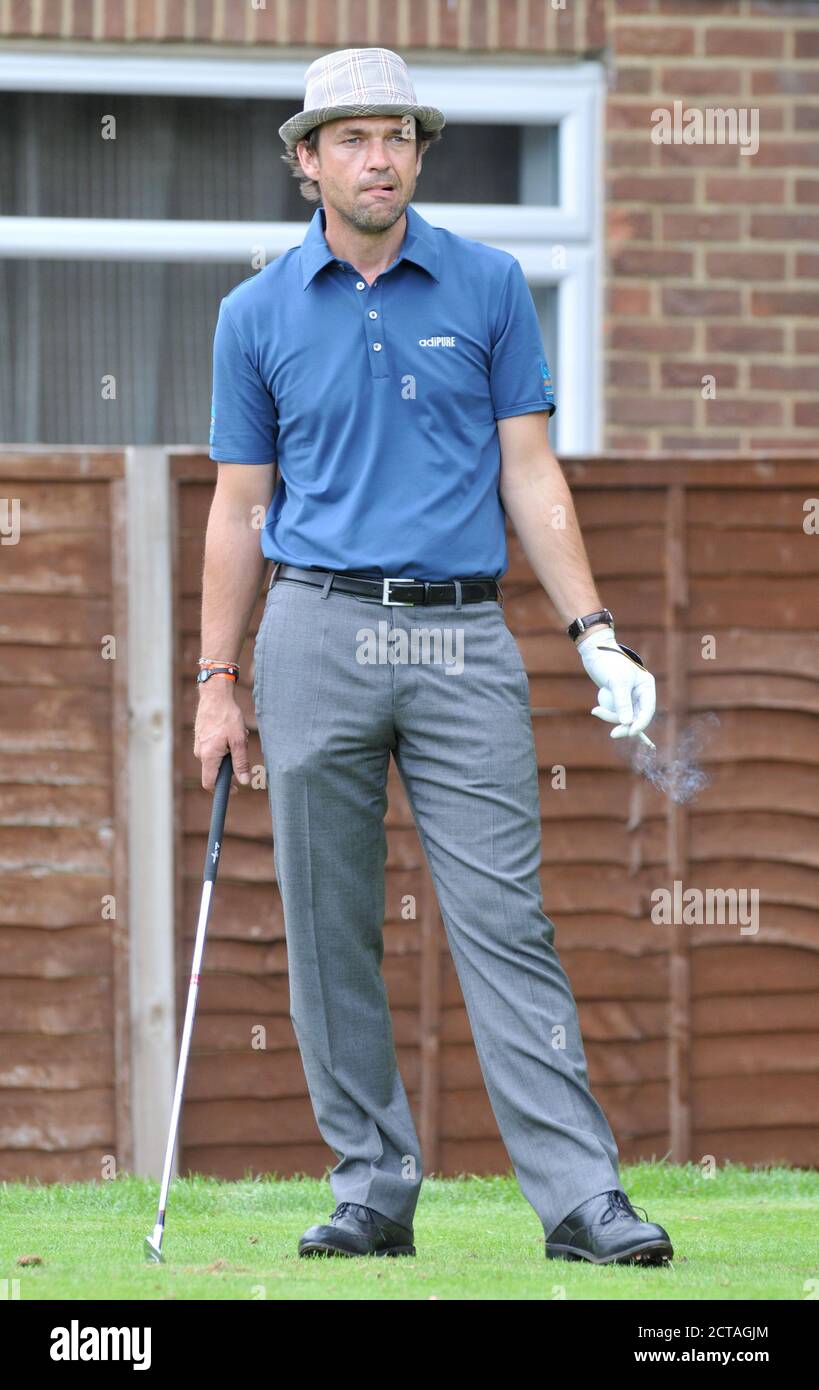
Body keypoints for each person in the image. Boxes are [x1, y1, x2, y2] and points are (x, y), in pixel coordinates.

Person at [197, 46, 673, 1267]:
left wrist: (596, 631)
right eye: (352, 138)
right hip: (313, 625)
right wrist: (216, 680)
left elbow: (530, 469)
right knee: (327, 920)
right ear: (308, 161)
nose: (379, 157)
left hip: (463, 632)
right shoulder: (254, 313)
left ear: (417, 151)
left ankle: (581, 1200)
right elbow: (239, 503)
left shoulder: (490, 283)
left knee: (506, 919)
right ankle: (372, 1189)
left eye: (398, 135)